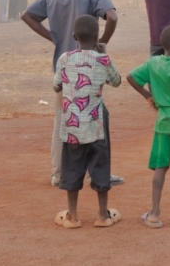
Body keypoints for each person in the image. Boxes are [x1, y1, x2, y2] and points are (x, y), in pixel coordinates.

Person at [21, 0, 122, 187]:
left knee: (62, 121)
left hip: (64, 67)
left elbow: (27, 15)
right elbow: (113, 16)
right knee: (94, 118)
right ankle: (96, 174)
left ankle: (58, 174)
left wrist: (54, 37)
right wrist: (102, 42)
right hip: (90, 66)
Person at [52, 15, 122, 228]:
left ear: (74, 36)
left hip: (71, 126)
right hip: (96, 125)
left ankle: (72, 216)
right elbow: (116, 81)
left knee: (72, 167)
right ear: (97, 37)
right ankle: (102, 215)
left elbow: (56, 86)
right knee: (100, 166)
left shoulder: (64, 58)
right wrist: (103, 54)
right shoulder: (103, 59)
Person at [126, 25, 170, 229]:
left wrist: (148, 96)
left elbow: (130, 77)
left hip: (162, 122)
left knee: (160, 167)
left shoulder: (152, 62)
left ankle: (154, 214)